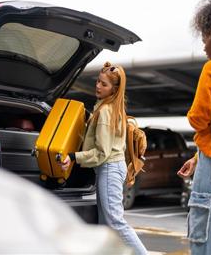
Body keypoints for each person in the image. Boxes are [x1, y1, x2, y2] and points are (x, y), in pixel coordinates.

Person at [60, 62, 148, 255]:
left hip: (109, 169)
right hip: (110, 169)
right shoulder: (109, 107)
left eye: (104, 84)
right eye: (98, 81)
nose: (98, 86)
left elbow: (102, 153)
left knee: (115, 223)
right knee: (105, 225)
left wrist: (74, 156)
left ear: (114, 89)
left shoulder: (106, 112)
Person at [177, 0, 211, 255]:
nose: (204, 45)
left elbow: (198, 118)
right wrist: (196, 158)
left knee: (206, 240)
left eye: (205, 37)